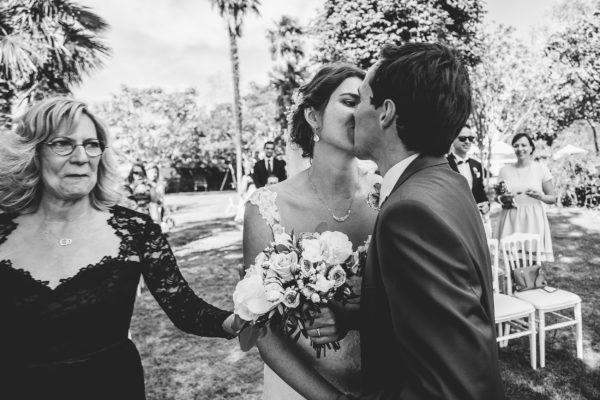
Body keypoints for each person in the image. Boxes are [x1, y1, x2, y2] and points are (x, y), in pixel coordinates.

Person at [0, 97, 241, 400]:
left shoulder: (136, 231)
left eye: (91, 144)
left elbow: (185, 308)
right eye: (62, 143)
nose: (81, 157)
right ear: (31, 152)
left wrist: (237, 321)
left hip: (111, 386)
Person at [316, 43, 504, 400]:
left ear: (385, 112)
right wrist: (353, 315)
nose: (354, 114)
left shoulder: (409, 212)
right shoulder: (448, 181)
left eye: (362, 99)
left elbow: (454, 386)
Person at [242, 64, 380, 399]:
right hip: (298, 389)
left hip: (381, 381)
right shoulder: (266, 207)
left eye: (368, 102)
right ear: (313, 117)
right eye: (350, 100)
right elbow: (260, 330)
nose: (362, 111)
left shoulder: (385, 196)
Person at [495, 133, 556, 261]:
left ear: (531, 148)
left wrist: (541, 196)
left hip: (533, 219)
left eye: (524, 145)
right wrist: (503, 198)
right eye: (516, 145)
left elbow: (553, 198)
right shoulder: (504, 171)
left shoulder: (541, 169)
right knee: (512, 264)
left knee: (533, 266)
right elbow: (498, 197)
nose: (520, 148)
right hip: (511, 218)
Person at [447, 124, 491, 235]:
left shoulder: (477, 165)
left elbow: (480, 193)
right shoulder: (445, 164)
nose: (467, 141)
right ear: (452, 139)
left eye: (470, 138)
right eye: (462, 138)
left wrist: (486, 205)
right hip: (454, 220)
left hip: (475, 221)